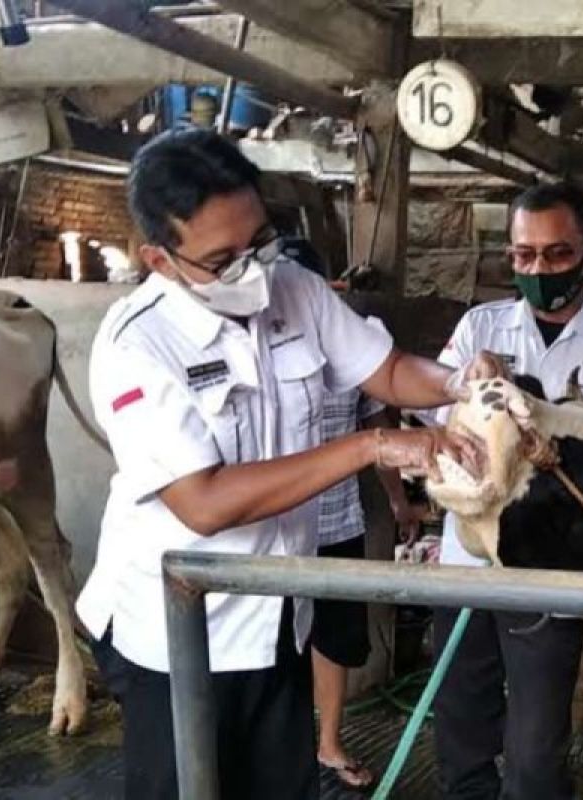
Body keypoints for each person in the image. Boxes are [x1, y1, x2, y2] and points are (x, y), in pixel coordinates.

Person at [75, 126, 496, 800]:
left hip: (276, 617)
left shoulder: (295, 287)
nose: (253, 270)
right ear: (160, 260)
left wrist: (457, 384)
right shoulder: (136, 345)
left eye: (261, 242)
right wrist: (372, 446)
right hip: (178, 638)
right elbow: (203, 504)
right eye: (224, 259)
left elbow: (384, 370)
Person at [431, 182, 583, 799]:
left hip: (549, 570)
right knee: (460, 722)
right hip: (465, 565)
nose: (538, 270)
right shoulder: (477, 330)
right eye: (523, 256)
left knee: (536, 745)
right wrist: (470, 386)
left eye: (557, 254)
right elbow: (436, 430)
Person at [283, 235, 426, 791]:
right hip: (275, 528)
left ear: (326, 291)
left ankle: (329, 743)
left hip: (338, 519)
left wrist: (395, 499)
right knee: (279, 643)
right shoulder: (256, 348)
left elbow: (377, 430)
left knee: (335, 638)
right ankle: (290, 746)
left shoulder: (352, 349)